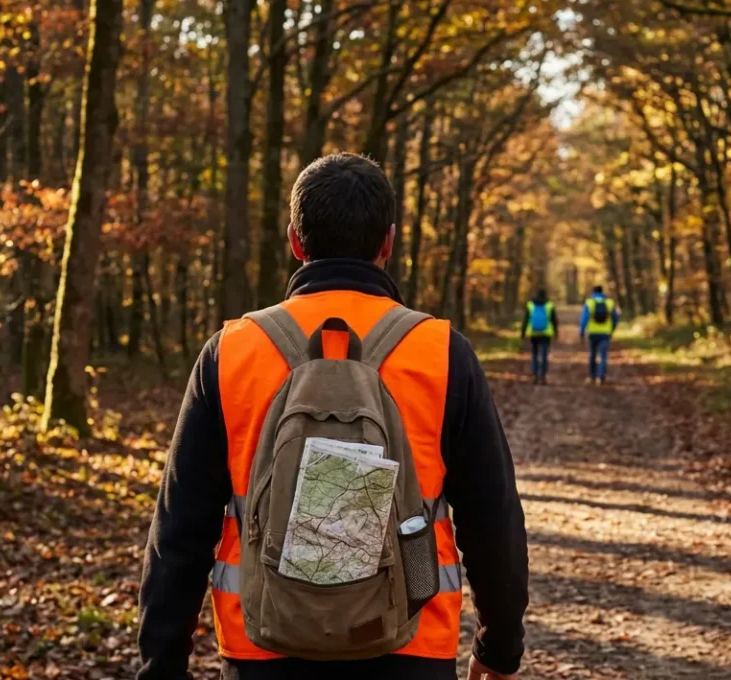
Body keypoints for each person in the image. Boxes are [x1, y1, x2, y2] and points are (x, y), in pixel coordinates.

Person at [137, 153, 528, 680]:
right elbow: (492, 519)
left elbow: (179, 530)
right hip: (411, 645)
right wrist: (499, 646)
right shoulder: (440, 352)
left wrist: (160, 666)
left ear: (295, 241)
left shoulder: (232, 352)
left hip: (262, 647)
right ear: (386, 244)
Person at [579, 285, 620, 385]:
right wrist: (612, 329)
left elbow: (584, 318)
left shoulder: (589, 303)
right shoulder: (610, 303)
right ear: (602, 292)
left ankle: (592, 376)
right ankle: (600, 377)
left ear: (593, 292)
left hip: (592, 333)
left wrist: (581, 331)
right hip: (605, 333)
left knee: (592, 355)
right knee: (603, 356)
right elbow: (615, 318)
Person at [520, 289, 557, 385]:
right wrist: (556, 332)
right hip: (546, 333)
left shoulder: (530, 305)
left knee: (535, 354)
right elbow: (554, 320)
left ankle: (535, 375)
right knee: (544, 355)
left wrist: (523, 333)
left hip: (533, 333)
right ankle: (543, 376)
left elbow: (526, 319)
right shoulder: (549, 305)